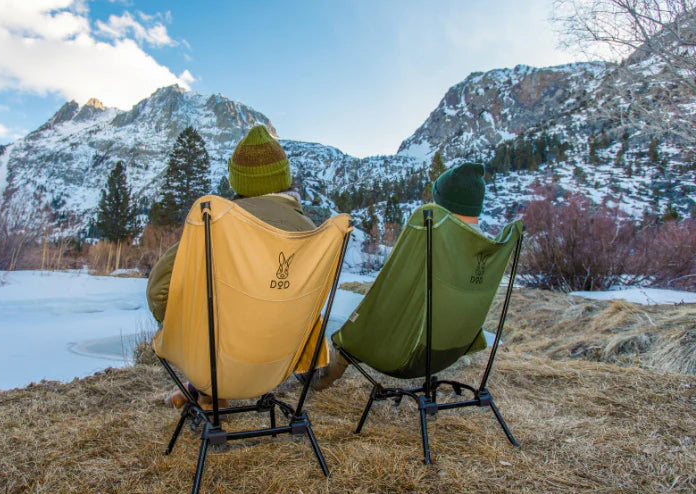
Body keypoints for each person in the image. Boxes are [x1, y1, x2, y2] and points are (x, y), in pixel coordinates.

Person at [147, 125, 320, 408]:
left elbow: (159, 290)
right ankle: (206, 391)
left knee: (210, 306)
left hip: (220, 362)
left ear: (237, 181)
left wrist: (179, 330)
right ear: (284, 176)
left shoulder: (218, 224)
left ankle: (209, 391)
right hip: (279, 364)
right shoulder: (313, 232)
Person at [311, 161, 488, 390]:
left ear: (443, 201)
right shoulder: (486, 248)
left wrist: (358, 325)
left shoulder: (433, 237)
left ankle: (322, 377)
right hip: (455, 346)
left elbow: (393, 294)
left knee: (354, 334)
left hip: (410, 352)